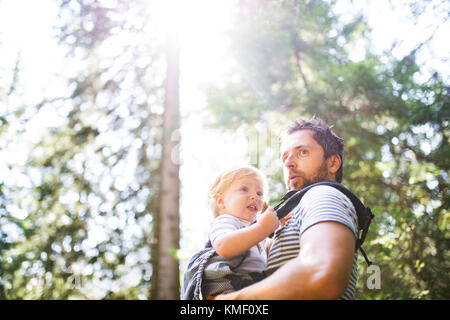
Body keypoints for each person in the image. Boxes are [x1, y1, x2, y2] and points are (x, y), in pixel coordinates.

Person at [212, 117, 359, 300]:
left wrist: (230, 300)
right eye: (285, 157)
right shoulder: (295, 214)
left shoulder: (321, 194)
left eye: (303, 152)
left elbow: (321, 272)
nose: (289, 163)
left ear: (333, 163)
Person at [181, 165, 291, 299]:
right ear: (221, 202)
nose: (254, 197)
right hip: (226, 289)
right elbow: (224, 246)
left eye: (259, 193)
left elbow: (269, 251)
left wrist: (280, 228)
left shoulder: (254, 230)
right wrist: (263, 228)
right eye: (244, 189)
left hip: (249, 289)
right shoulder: (227, 221)